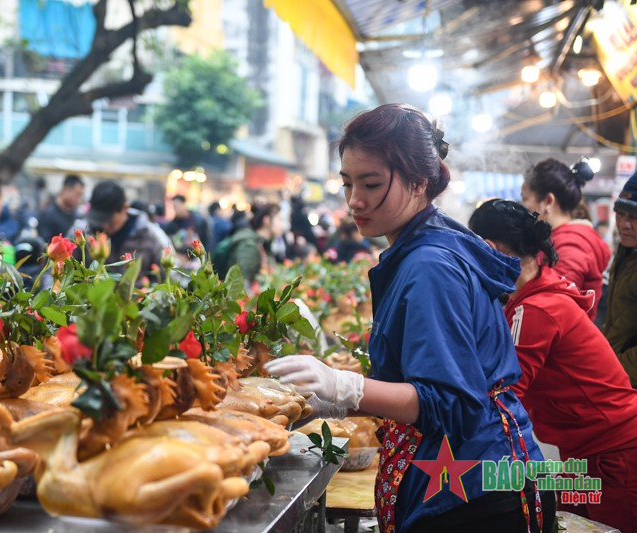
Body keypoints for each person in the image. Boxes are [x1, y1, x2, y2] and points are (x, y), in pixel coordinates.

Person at [265, 104, 553, 533]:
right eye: (347, 183)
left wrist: (347, 386)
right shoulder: (423, 247)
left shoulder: (429, 264)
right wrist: (334, 397)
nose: (354, 200)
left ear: (420, 182)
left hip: (477, 494)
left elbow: (449, 401)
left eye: (372, 183)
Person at [470, 198, 637, 533]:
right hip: (589, 449)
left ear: (488, 248)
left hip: (613, 453)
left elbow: (505, 392)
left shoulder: (537, 309)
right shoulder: (532, 295)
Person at [520, 158, 610, 320]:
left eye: (526, 199)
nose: (523, 206)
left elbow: (553, 311)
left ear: (548, 201)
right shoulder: (557, 239)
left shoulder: (571, 245)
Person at [70, 180, 172, 284]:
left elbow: (166, 277)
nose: (103, 226)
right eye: (99, 220)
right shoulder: (84, 232)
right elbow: (64, 272)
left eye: (109, 221)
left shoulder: (148, 235)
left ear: (125, 208)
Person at [603, 172, 637, 386]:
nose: (625, 224)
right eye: (620, 214)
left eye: (634, 216)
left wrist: (610, 370)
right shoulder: (626, 253)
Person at [37, 174, 85, 243]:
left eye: (81, 196)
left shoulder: (77, 216)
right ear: (66, 189)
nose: (79, 200)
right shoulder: (48, 215)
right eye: (77, 195)